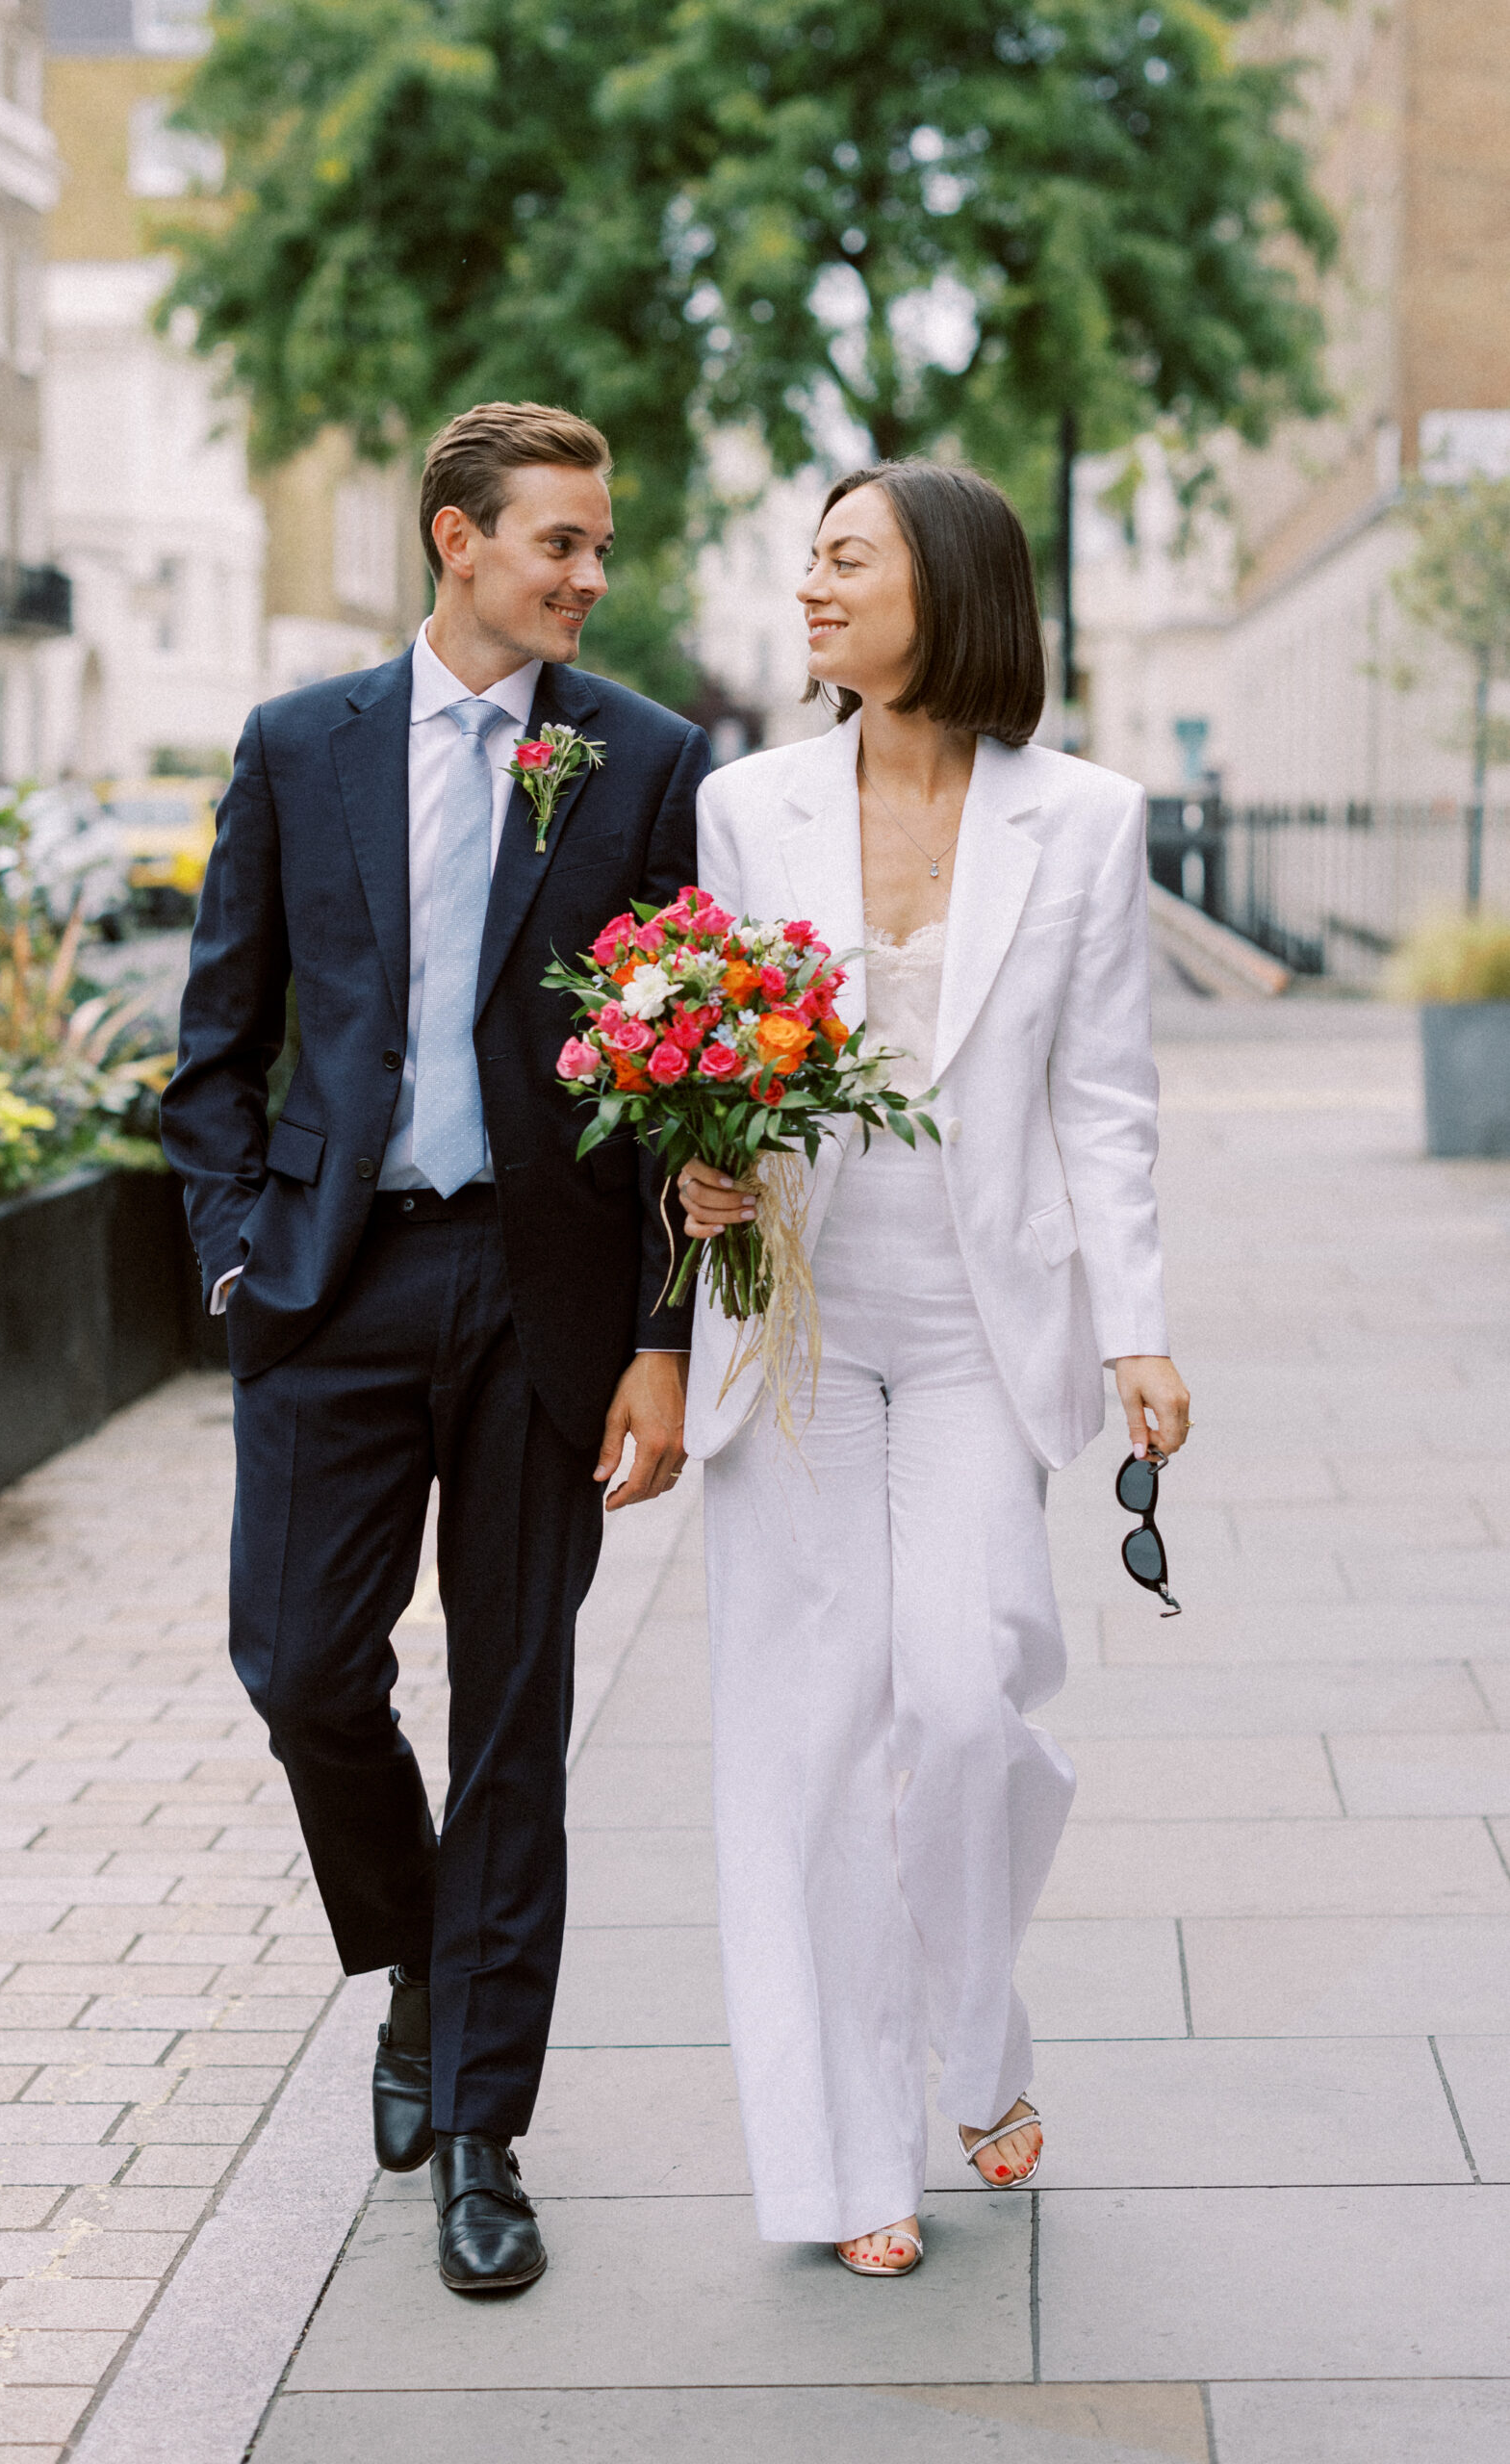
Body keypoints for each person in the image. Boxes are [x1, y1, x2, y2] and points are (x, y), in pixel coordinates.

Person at [162, 401, 707, 2295]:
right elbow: (215, 1044)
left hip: (543, 1294)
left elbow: (680, 1084)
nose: (587, 574)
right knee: (301, 1666)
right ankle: (411, 1955)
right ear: (452, 538)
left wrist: (660, 1337)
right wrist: (234, 1257)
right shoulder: (299, 745)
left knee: (513, 1722)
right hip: (328, 1284)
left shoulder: (639, 758)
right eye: (559, 540)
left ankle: (480, 2127)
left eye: (600, 545)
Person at [678, 461, 1190, 2275]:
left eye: (847, 557)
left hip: (984, 1329)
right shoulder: (747, 806)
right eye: (806, 559)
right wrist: (693, 1160)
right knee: (817, 1743)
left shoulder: (1089, 819)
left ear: (948, 586)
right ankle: (849, 2161)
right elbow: (709, 1058)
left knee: (966, 1708)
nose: (810, 586)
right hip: (795, 1320)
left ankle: (980, 2038)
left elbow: (1104, 1101)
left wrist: (1137, 1323)